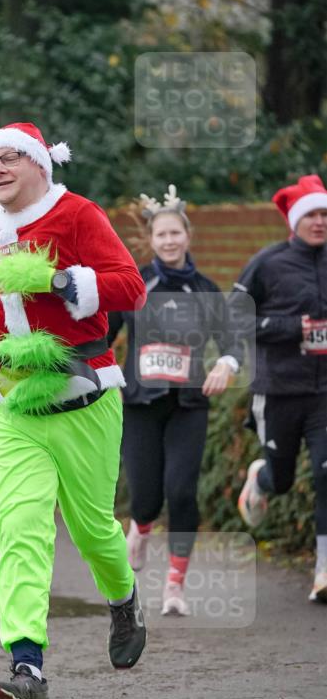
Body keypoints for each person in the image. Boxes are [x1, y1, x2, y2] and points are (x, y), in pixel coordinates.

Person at [0, 121, 147, 699]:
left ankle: (123, 598)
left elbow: (131, 288)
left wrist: (57, 280)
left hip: (83, 400)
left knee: (91, 531)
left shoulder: (78, 215)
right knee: (22, 531)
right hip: (11, 407)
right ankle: (27, 671)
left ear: (40, 163)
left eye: (10, 158)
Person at [107, 185, 239, 615]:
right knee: (145, 496)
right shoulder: (135, 283)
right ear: (152, 238)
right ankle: (141, 529)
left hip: (188, 405)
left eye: (175, 234)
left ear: (187, 237)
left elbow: (232, 340)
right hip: (141, 405)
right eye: (161, 235)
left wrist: (227, 365)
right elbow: (104, 336)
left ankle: (175, 587)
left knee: (181, 493)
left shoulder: (205, 289)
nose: (168, 241)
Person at [232, 174, 327, 603]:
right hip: (279, 389)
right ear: (295, 221)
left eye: (326, 214)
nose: (321, 222)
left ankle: (323, 570)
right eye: (313, 215)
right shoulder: (267, 263)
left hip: (324, 391)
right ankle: (263, 478)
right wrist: (292, 328)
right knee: (284, 477)